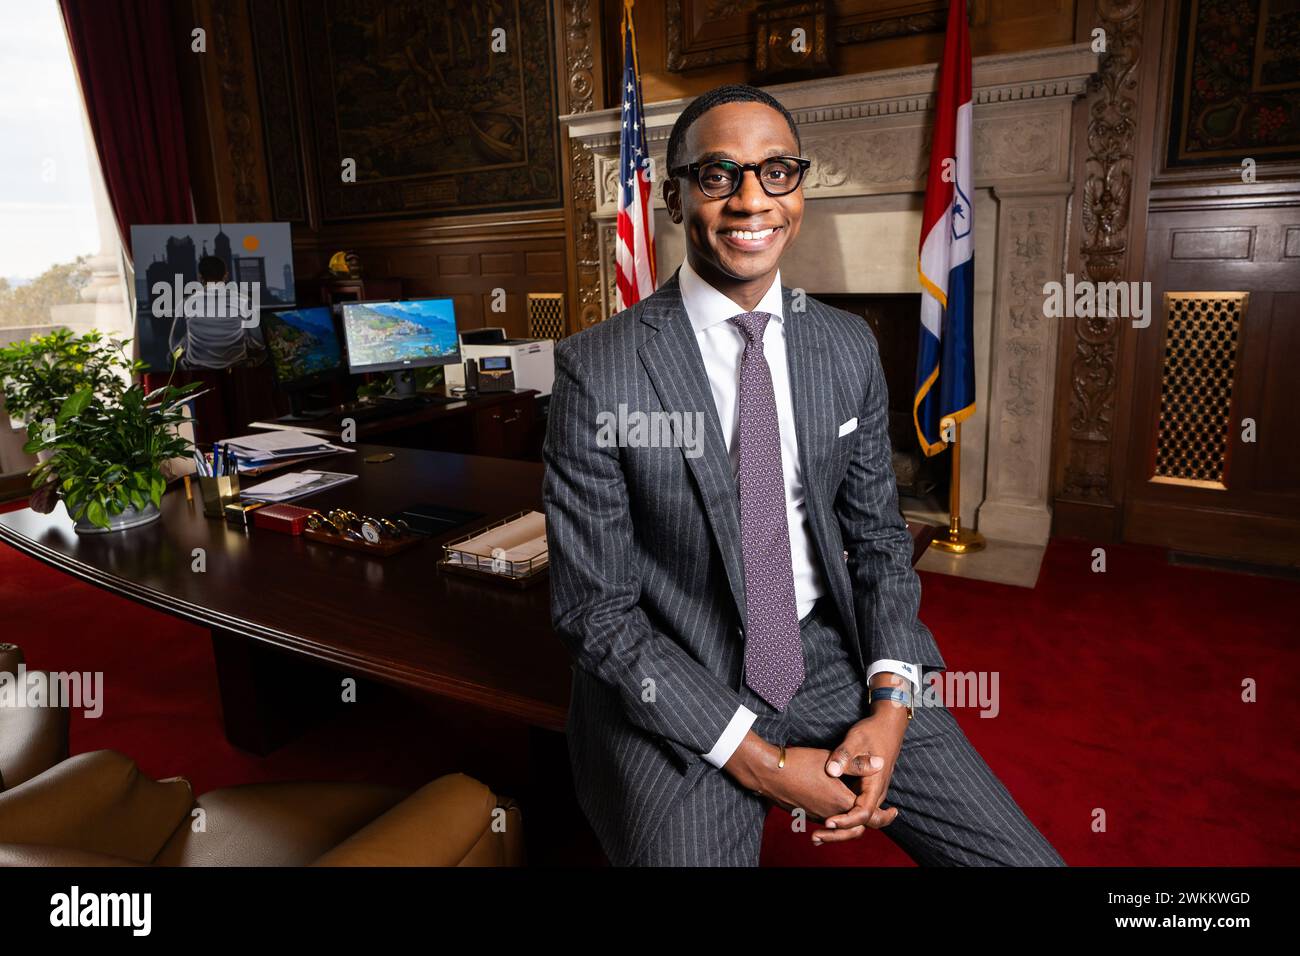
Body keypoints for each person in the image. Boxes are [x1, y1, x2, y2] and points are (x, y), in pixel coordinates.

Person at [542, 83, 1065, 867]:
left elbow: (882, 543)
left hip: (828, 655)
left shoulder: (847, 346)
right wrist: (765, 764)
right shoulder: (598, 369)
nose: (753, 200)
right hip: (681, 678)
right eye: (718, 175)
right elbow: (597, 611)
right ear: (674, 194)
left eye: (776, 171)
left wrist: (891, 702)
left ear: (799, 187)